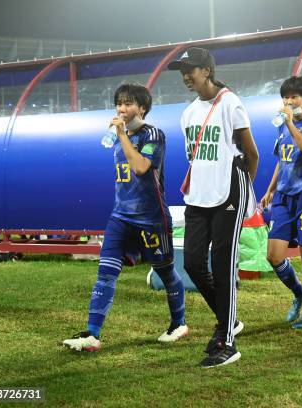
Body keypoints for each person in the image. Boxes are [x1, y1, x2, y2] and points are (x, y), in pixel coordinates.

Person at [63, 83, 187, 352]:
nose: (122, 108)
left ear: (142, 108)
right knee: (105, 273)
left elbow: (142, 167)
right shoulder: (119, 137)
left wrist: (121, 135)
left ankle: (179, 323)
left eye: (129, 103)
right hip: (120, 216)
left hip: (151, 217)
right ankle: (92, 334)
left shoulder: (153, 134)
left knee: (165, 271)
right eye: (119, 103)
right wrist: (121, 135)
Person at [168, 48, 259, 368]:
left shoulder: (230, 103)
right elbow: (196, 158)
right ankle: (227, 319)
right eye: (182, 70)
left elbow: (252, 154)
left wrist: (244, 195)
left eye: (190, 68)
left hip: (228, 193)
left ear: (206, 70)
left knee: (222, 265)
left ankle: (227, 340)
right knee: (193, 263)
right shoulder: (187, 114)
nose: (185, 75)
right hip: (197, 196)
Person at [260, 75, 302, 329]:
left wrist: (290, 125)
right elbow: (283, 160)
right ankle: (299, 293)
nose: (288, 101)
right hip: (283, 197)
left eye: (294, 97)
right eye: (285, 97)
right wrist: (270, 189)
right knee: (273, 255)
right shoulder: (282, 125)